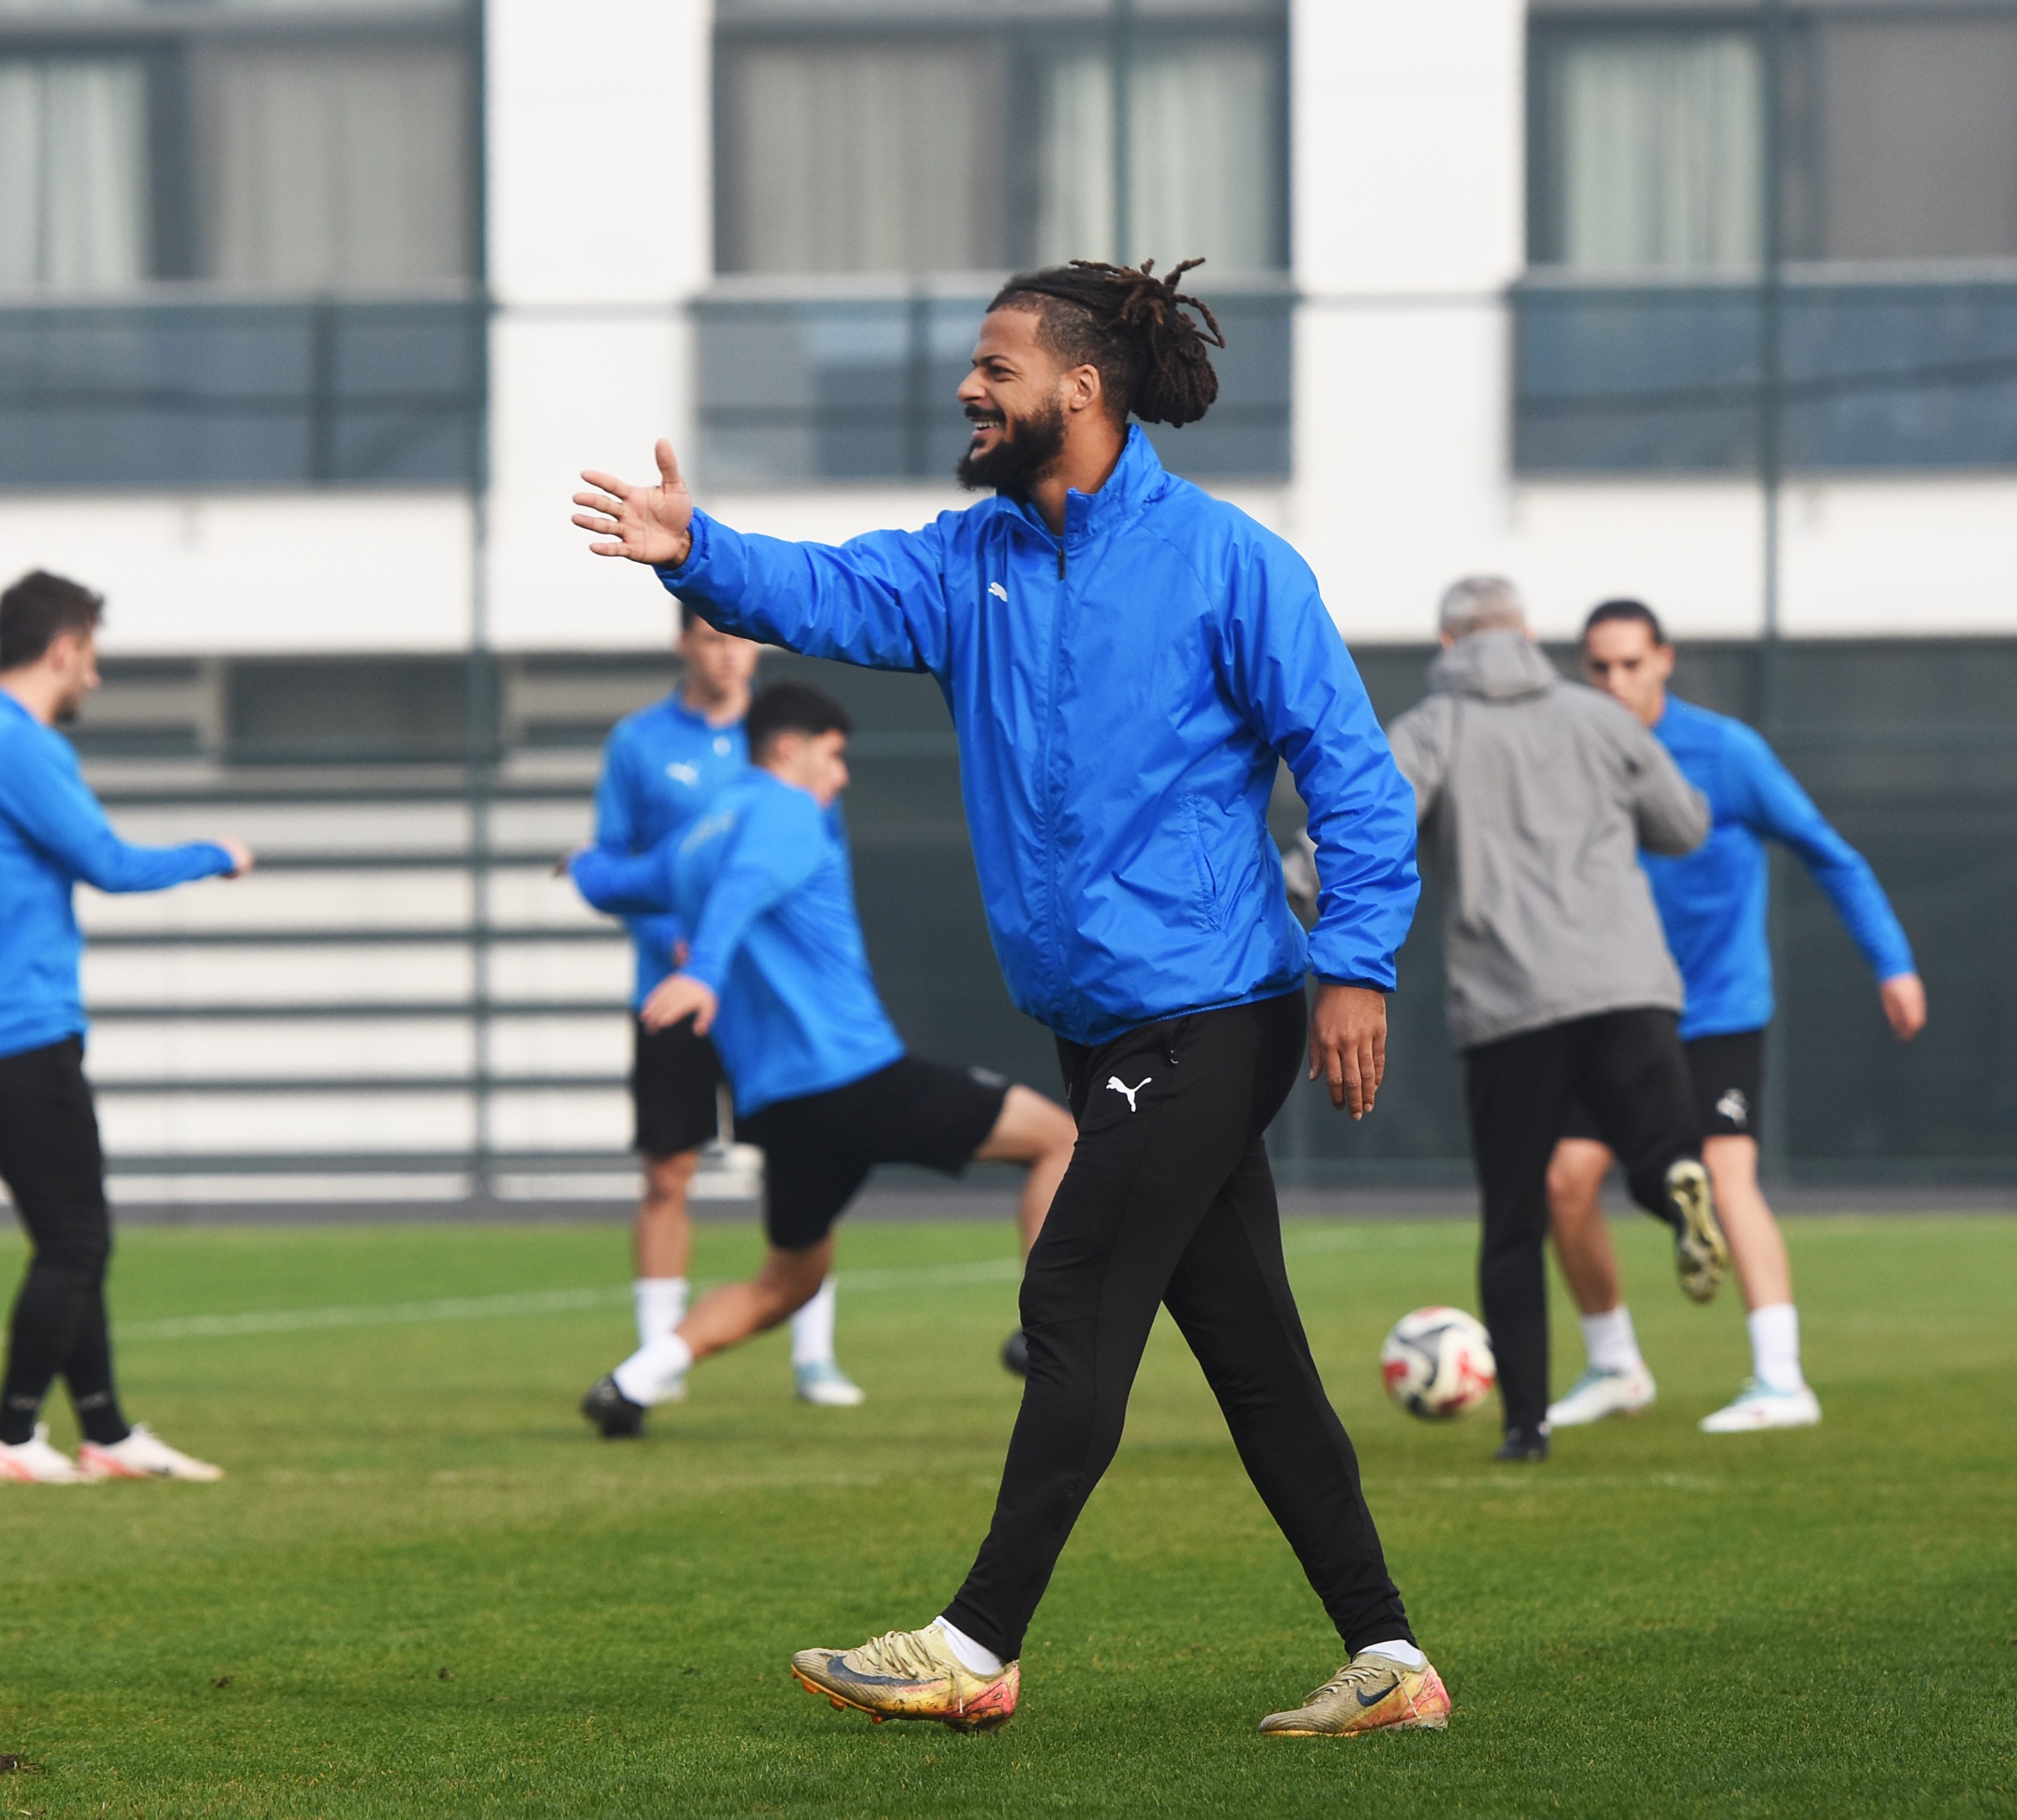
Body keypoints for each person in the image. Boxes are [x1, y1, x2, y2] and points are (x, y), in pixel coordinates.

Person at [571, 258, 1450, 1739]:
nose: (969, 391)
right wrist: (694, 550)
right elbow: (830, 591)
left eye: (995, 368)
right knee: (1249, 1349)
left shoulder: (1230, 563)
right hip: (1101, 1023)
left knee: (1072, 1289)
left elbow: (1356, 783)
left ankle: (975, 1640)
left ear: (1080, 390)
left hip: (1219, 1009)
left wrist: (1357, 964)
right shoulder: (966, 558)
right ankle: (1388, 1657)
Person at [575, 682, 1074, 1439]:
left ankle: (632, 1380)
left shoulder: (694, 837)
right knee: (1059, 1138)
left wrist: (579, 870)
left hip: (779, 1107)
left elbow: (624, 881)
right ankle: (1050, 1338)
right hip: (858, 1077)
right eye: (834, 756)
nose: (840, 776)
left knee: (788, 1279)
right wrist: (705, 969)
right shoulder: (786, 810)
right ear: (788, 749)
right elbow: (745, 888)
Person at [0, 571, 252, 1486]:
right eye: (93, 659)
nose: (95, 680)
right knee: (77, 1241)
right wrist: (217, 856)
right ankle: (9, 1434)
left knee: (70, 1237)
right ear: (64, 648)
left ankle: (109, 1434)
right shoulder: (20, 749)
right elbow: (109, 865)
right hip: (25, 1031)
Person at [1546, 599, 1925, 1434]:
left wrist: (1892, 961)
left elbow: (1831, 852)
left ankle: (1782, 1379)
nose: (1614, 682)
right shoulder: (1572, 756)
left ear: (1664, 661)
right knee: (1565, 1183)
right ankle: (1616, 1365)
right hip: (1612, 1008)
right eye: (1598, 667)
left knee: (1727, 1176)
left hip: (1717, 1010)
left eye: (1630, 664)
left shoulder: (1728, 754)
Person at [1382, 576, 1725, 1466]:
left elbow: (1367, 825)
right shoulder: (1601, 716)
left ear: (1450, 644)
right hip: (1628, 983)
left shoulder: (1434, 728)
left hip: (1511, 1005)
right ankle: (1678, 1181)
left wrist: (1287, 887)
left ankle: (1526, 1425)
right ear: (1529, 634)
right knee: (1652, 1151)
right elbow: (1686, 825)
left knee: (1514, 1218)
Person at [572, 609, 866, 1409]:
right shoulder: (639, 743)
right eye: (711, 636)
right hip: (671, 993)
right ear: (684, 645)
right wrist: (670, 937)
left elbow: (810, 862)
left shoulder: (794, 741)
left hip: (768, 1000)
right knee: (668, 1170)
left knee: (802, 1164)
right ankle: (655, 1359)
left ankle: (815, 1354)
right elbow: (621, 863)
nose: (728, 652)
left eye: (739, 637)